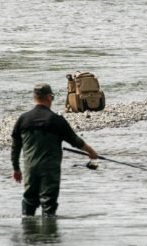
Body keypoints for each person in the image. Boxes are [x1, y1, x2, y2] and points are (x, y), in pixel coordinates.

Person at [11, 83, 98, 216]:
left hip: (30, 169)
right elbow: (75, 141)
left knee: (29, 201)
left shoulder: (23, 119)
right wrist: (91, 152)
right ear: (49, 97)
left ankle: (28, 232)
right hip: (49, 169)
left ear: (34, 97)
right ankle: (49, 234)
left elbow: (15, 147)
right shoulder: (56, 120)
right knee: (49, 204)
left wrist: (16, 168)